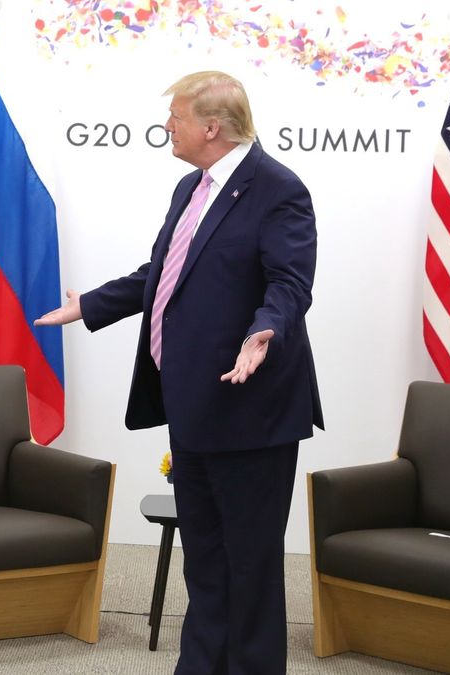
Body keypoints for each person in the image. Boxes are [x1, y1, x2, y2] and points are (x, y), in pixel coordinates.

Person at [36, 71, 322, 674]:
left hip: (249, 407)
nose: (168, 127)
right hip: (192, 405)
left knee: (250, 561)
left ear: (211, 127)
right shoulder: (192, 187)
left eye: (177, 118)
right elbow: (162, 274)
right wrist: (90, 305)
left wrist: (263, 329)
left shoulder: (278, 188)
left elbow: (290, 283)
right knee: (206, 558)